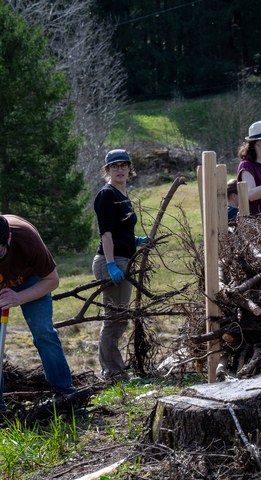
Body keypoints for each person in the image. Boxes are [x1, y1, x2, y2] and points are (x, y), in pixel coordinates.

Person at [0, 214, 76, 409]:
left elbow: (52, 280)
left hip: (31, 279)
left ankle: (65, 394)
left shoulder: (26, 239)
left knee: (43, 332)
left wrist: (19, 298)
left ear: (8, 238)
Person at [92, 149, 148, 381]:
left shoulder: (123, 193)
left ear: (129, 168)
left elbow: (120, 230)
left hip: (123, 258)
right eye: (115, 166)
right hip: (110, 261)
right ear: (108, 170)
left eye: (123, 165)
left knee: (120, 318)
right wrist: (112, 264)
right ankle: (112, 371)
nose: (120, 169)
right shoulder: (106, 195)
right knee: (114, 319)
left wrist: (136, 241)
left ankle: (115, 368)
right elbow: (106, 234)